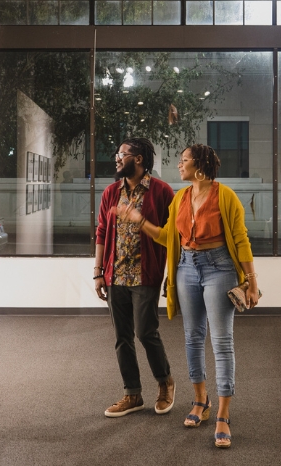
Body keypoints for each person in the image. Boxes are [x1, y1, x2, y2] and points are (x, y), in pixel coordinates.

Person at [116, 144, 259, 449]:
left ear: (201, 165)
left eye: (184, 161)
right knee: (193, 337)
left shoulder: (226, 196)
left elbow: (240, 239)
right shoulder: (180, 197)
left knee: (221, 342)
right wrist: (138, 220)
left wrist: (252, 282)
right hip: (186, 269)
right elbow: (169, 236)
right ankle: (200, 401)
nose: (179, 165)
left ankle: (223, 414)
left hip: (219, 267)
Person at [94, 137, 175, 418]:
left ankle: (165, 382)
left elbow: (173, 236)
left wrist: (172, 275)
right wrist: (98, 272)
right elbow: (102, 232)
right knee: (122, 337)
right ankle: (132, 394)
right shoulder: (111, 192)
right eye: (117, 154)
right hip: (115, 274)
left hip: (145, 274)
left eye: (122, 154)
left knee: (145, 332)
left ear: (138, 159)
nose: (116, 158)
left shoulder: (161, 192)